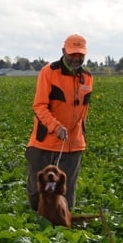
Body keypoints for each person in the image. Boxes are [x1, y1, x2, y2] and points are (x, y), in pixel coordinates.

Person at [26, 33, 93, 212]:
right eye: (72, 54)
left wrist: (79, 134)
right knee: (37, 190)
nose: (76, 59)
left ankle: (63, 230)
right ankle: (37, 223)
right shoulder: (49, 72)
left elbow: (83, 110)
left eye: (80, 55)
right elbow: (39, 106)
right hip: (44, 143)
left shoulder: (87, 77)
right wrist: (55, 127)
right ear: (63, 51)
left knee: (66, 191)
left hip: (73, 144)